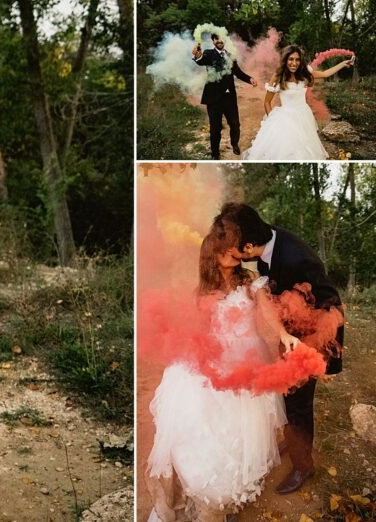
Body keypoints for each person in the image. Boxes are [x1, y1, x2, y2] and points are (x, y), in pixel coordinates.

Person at [145, 221, 294, 522]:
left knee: (241, 429)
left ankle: (227, 494)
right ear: (212, 254)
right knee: (195, 421)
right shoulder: (202, 290)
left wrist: (282, 333)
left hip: (246, 359)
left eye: (232, 245)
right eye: (223, 247)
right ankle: (202, 487)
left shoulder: (249, 279)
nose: (230, 251)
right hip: (215, 358)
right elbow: (198, 329)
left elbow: (267, 310)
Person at [218, 203, 344, 494]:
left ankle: (303, 466)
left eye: (235, 250)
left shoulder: (296, 258)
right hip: (290, 333)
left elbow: (330, 305)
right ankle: (294, 439)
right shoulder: (268, 240)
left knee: (299, 402)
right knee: (286, 395)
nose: (233, 255)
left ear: (248, 247)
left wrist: (321, 357)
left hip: (312, 335)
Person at [242, 45, 355, 160]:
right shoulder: (278, 77)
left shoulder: (304, 74)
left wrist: (342, 64)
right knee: (286, 150)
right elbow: (267, 102)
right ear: (285, 60)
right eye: (291, 59)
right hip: (285, 120)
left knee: (304, 150)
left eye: (297, 60)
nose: (294, 63)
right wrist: (271, 122)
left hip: (304, 117)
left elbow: (325, 73)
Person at [193, 33, 258, 160]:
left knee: (235, 124)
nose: (219, 41)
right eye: (216, 39)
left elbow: (238, 73)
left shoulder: (230, 56)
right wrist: (197, 55)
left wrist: (250, 79)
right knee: (215, 129)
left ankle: (234, 144)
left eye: (221, 38)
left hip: (229, 98)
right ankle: (215, 154)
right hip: (213, 99)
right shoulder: (208, 53)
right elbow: (201, 61)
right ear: (213, 41)